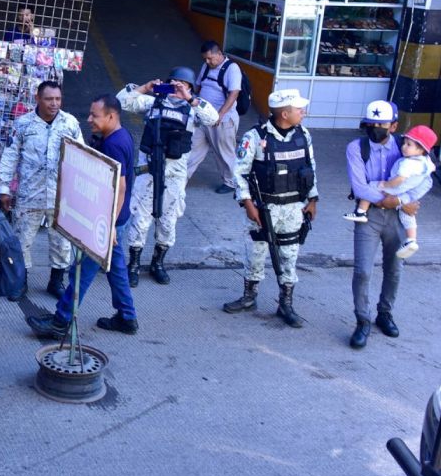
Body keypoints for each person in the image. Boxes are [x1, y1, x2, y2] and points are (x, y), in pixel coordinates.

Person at [26, 94, 139, 337]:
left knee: (80, 273)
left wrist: (107, 229)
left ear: (111, 116)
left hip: (105, 224)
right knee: (116, 269)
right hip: (115, 221)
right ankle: (127, 317)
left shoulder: (114, 144)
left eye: (95, 116)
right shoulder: (121, 135)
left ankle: (61, 321)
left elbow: (120, 187)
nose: (89, 119)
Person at [223, 89, 318, 328]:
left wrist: (313, 200)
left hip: (293, 208)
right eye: (299, 109)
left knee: (289, 256)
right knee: (255, 253)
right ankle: (249, 296)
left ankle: (285, 303)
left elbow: (311, 167)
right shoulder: (254, 137)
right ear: (284, 113)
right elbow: (239, 173)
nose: (303, 112)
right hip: (263, 208)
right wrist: (247, 204)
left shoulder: (303, 135)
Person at [116, 67, 219, 287]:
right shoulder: (153, 102)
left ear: (190, 87)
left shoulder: (193, 109)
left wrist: (190, 98)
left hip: (174, 173)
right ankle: (133, 265)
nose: (176, 88)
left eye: (182, 85)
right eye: (173, 83)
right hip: (148, 170)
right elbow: (121, 102)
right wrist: (145, 88)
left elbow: (213, 118)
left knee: (168, 221)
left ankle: (157, 264)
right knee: (140, 219)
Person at [343, 100, 427, 349]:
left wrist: (403, 202)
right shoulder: (356, 148)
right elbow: (359, 187)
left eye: (381, 124)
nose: (376, 128)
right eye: (371, 123)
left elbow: (421, 179)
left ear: (394, 125)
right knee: (362, 271)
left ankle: (384, 313)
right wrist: (398, 201)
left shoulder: (406, 148)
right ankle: (362, 320)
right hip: (369, 217)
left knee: (394, 269)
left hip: (397, 220)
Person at [0, 81, 84, 299]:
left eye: (58, 99)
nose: (54, 104)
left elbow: (82, 157)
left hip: (60, 196)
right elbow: (9, 157)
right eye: (49, 99)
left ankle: (56, 281)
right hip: (29, 195)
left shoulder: (70, 123)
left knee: (62, 242)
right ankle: (20, 281)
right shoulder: (23, 125)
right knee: (21, 239)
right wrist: (4, 189)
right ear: (38, 98)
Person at [345, 125, 436, 259]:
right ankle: (411, 239)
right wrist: (404, 201)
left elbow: (398, 179)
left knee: (372, 185)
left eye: (409, 145)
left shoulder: (408, 163)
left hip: (394, 189)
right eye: (404, 143)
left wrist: (387, 186)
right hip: (403, 196)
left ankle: (361, 212)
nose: (404, 146)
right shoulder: (425, 162)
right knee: (408, 216)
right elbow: (429, 176)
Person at [188, 41, 241, 194]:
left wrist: (221, 114)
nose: (207, 61)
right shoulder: (206, 66)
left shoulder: (232, 68)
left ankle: (231, 182)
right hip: (202, 118)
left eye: (210, 58)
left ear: (219, 54)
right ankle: (179, 178)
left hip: (222, 121)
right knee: (192, 148)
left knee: (224, 152)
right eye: (205, 58)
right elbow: (198, 86)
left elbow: (233, 94)